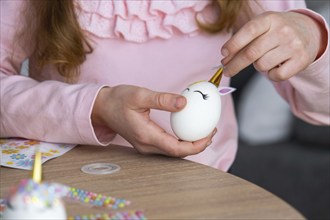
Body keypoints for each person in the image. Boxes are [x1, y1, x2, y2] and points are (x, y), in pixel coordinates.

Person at [1, 0, 329, 171]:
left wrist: (312, 38)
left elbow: (320, 111)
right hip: (73, 188)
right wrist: (96, 107)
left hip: (199, 193)